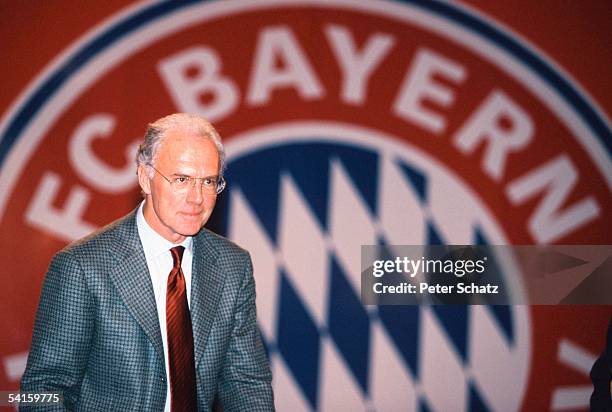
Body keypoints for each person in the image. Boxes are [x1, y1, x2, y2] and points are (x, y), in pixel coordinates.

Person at [20, 113, 274, 411]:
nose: (196, 198)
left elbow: (246, 383)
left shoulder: (233, 266)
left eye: (208, 182)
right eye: (181, 179)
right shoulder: (82, 267)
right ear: (145, 176)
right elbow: (42, 390)